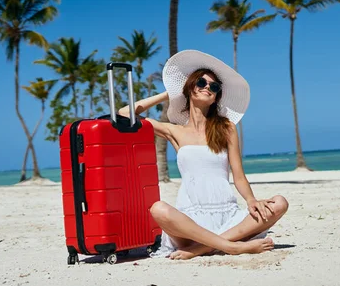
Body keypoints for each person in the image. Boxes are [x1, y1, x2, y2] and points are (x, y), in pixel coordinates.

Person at [118, 50, 289, 260]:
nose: (207, 87)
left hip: (228, 216)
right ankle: (232, 247)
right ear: (190, 88)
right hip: (190, 223)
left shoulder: (225, 127)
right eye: (201, 83)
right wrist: (170, 94)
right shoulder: (175, 131)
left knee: (279, 202)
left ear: (216, 96)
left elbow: (238, 175)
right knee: (158, 209)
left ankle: (204, 248)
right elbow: (125, 114)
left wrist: (251, 199)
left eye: (214, 87)